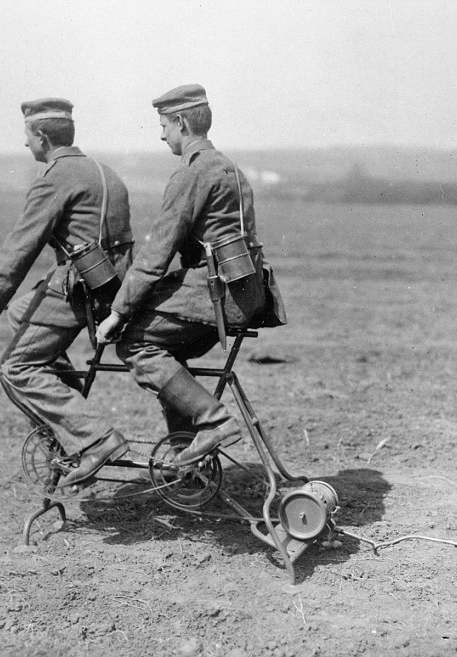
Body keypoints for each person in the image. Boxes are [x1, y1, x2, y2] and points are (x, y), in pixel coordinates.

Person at [0, 97, 131, 489]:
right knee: (19, 314)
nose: (25, 144)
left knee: (16, 368)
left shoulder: (56, 178)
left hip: (81, 291)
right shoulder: (106, 172)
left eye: (26, 136)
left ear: (40, 136)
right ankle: (71, 412)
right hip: (111, 287)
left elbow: (20, 247)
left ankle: (93, 439)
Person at [96, 83, 275, 466]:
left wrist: (117, 312)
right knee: (168, 347)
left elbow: (158, 250)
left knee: (134, 344)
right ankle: (183, 453)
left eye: (163, 125)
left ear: (180, 123)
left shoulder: (192, 172)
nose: (161, 135)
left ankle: (213, 422)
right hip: (244, 291)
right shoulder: (229, 166)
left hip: (218, 295)